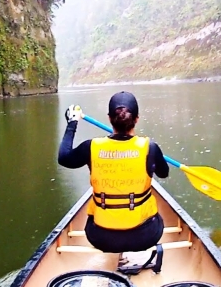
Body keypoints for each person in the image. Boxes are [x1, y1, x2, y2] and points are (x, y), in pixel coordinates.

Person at [58, 91, 169, 253]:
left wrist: (72, 123)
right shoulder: (149, 148)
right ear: (136, 119)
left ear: (110, 119)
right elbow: (164, 173)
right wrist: (154, 156)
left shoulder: (92, 147)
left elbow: (64, 158)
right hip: (145, 236)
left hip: (101, 237)